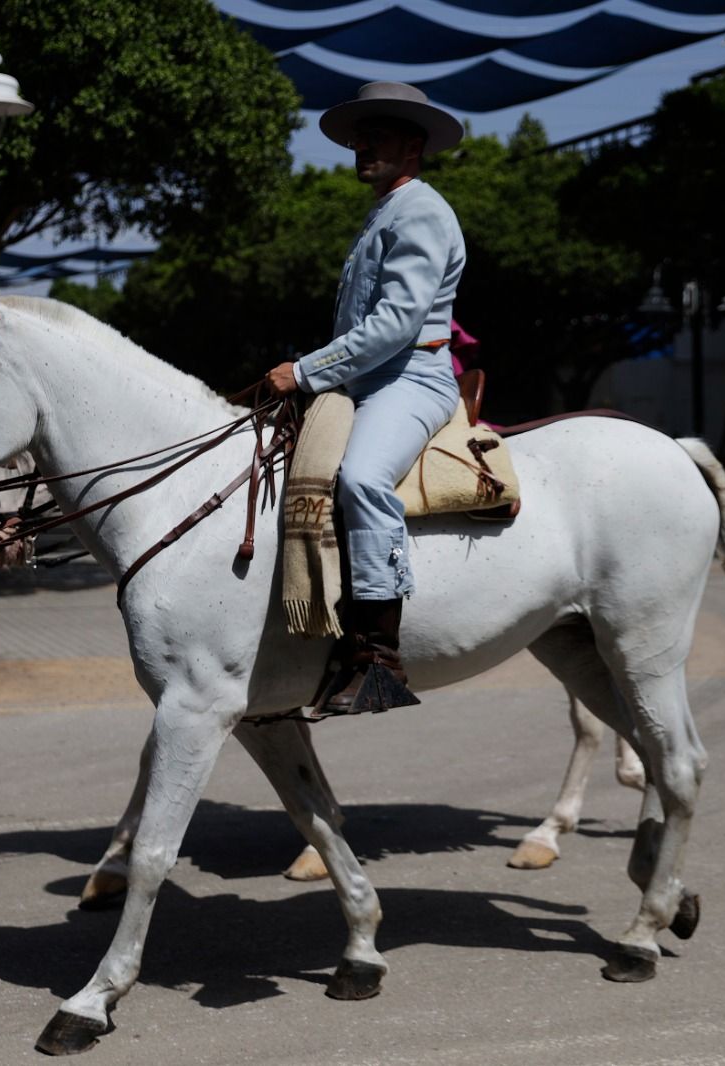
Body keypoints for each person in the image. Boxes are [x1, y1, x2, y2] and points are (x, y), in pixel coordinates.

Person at [262, 81, 466, 713]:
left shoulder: (422, 209)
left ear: (414, 144)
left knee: (360, 479)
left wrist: (305, 371)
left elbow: (397, 324)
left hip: (412, 380)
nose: (360, 147)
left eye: (375, 136)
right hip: (367, 382)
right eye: (357, 137)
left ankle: (379, 659)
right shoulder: (385, 211)